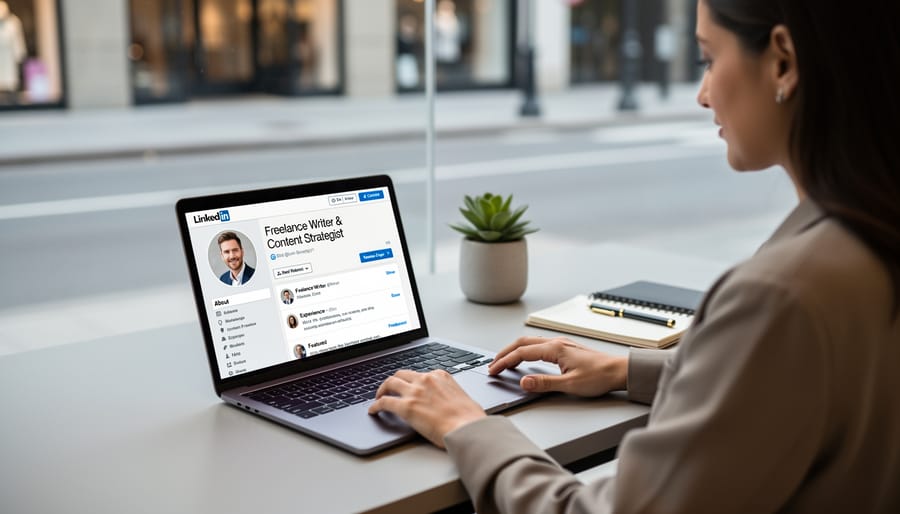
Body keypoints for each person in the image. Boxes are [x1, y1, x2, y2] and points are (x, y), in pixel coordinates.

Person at [368, 0, 900, 512]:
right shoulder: (867, 238)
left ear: (783, 61)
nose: (702, 93)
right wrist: (624, 369)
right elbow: (782, 384)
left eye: (709, 59)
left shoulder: (781, 295)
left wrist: (468, 426)